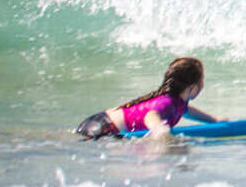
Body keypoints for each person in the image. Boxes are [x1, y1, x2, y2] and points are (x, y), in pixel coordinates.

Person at [75, 56, 222, 139]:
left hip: (102, 123)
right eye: (202, 80)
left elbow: (187, 111)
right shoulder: (167, 102)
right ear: (192, 88)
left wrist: (214, 121)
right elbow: (150, 115)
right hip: (104, 127)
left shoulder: (179, 101)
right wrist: (159, 129)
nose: (203, 85)